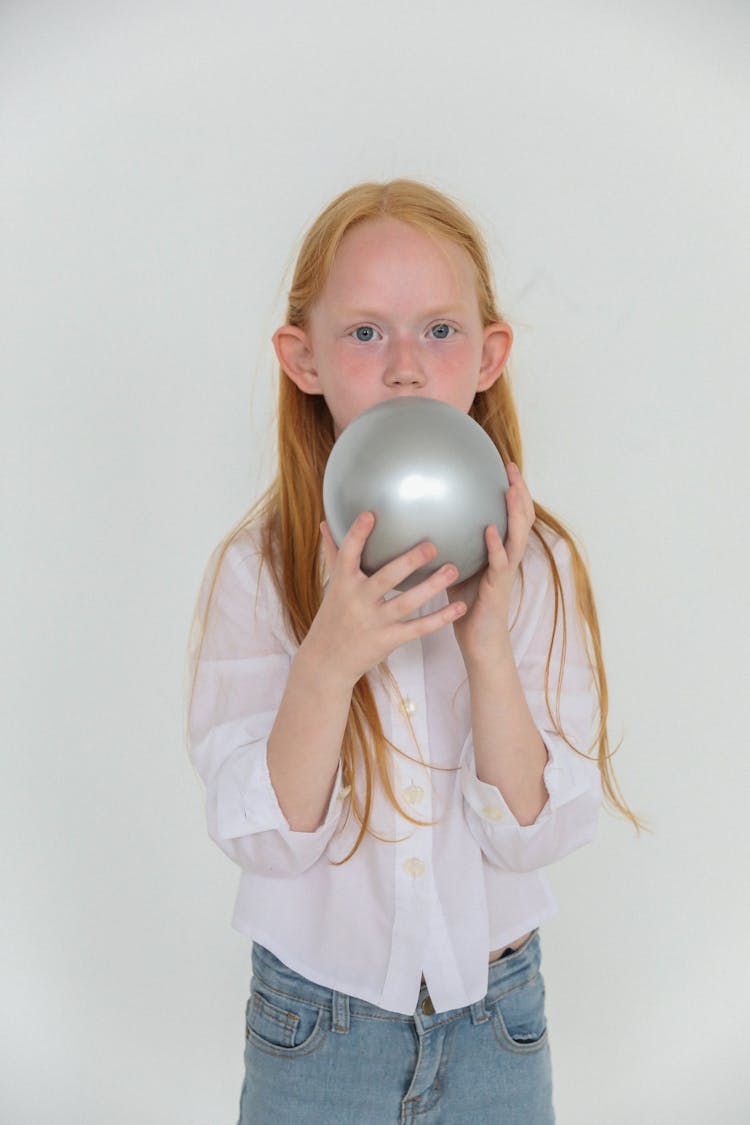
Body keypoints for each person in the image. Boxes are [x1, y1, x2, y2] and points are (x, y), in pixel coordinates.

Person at [185, 179, 644, 1124]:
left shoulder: (538, 565)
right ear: (302, 358)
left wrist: (486, 652)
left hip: (498, 1020)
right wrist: (327, 660)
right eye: (364, 333)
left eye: (439, 330)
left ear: (489, 354)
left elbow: (539, 832)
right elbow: (263, 838)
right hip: (313, 1020)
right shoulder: (254, 569)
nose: (405, 368)